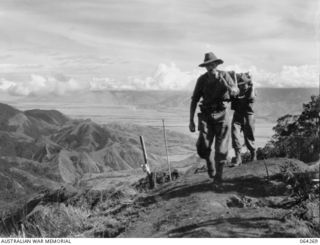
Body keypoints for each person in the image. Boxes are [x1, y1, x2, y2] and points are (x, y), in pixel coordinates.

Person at [189, 52, 238, 184]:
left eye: (212, 64)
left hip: (222, 114)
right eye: (207, 65)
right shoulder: (202, 80)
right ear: (205, 67)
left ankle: (219, 177)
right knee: (203, 145)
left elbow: (234, 90)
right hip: (206, 115)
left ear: (217, 64)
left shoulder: (225, 76)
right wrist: (191, 121)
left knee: (221, 148)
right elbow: (194, 100)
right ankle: (209, 162)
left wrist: (227, 86)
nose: (210, 67)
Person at [230, 72, 257, 166]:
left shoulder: (251, 90)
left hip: (248, 115)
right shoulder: (236, 91)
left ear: (248, 83)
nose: (241, 86)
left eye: (243, 84)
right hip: (237, 115)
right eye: (240, 85)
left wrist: (252, 86)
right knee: (235, 135)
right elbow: (231, 100)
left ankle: (253, 153)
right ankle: (238, 158)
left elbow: (251, 98)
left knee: (249, 136)